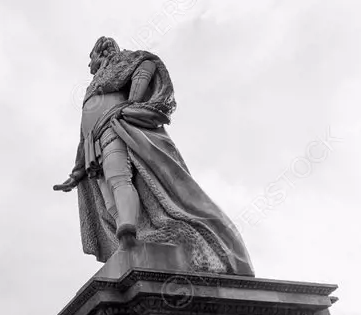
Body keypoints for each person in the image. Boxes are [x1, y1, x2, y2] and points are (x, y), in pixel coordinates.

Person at [54, 36, 254, 276]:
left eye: (91, 58)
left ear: (103, 52)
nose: (89, 66)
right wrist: (76, 172)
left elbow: (148, 63)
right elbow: (83, 133)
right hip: (92, 145)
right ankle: (126, 238)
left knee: (120, 179)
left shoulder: (125, 62)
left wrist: (132, 104)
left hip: (114, 128)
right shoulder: (94, 84)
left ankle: (128, 230)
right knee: (108, 202)